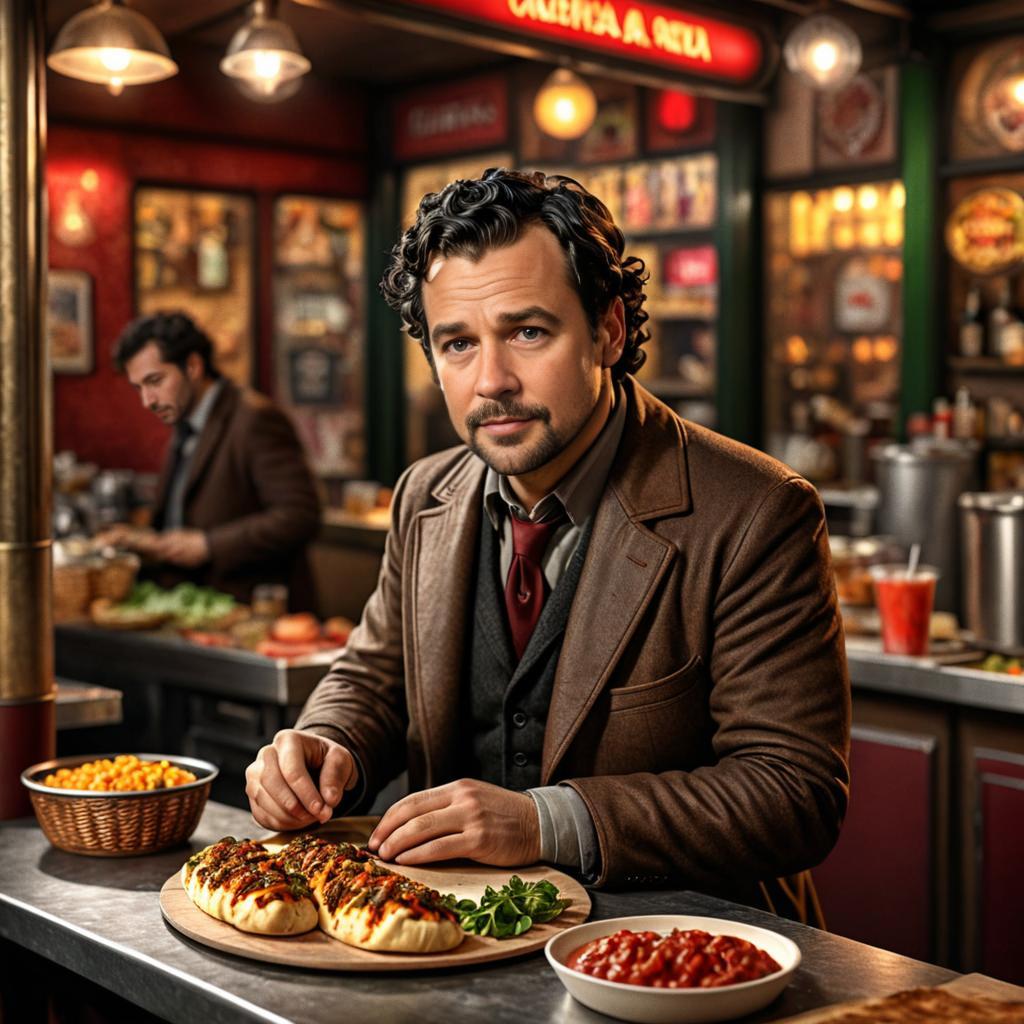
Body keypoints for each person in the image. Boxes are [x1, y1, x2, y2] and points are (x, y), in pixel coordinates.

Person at [245, 169, 850, 919]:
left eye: (528, 332)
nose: (491, 380)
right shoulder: (423, 494)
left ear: (609, 330)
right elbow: (376, 676)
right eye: (457, 343)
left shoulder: (759, 511)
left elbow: (793, 794)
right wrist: (324, 741)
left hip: (682, 954)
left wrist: (543, 822)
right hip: (455, 941)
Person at [105, 311, 321, 607]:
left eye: (154, 381)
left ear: (193, 366)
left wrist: (208, 545)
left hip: (253, 615)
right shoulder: (185, 419)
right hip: (194, 610)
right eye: (139, 387)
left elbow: (300, 516)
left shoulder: (255, 418)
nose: (147, 401)